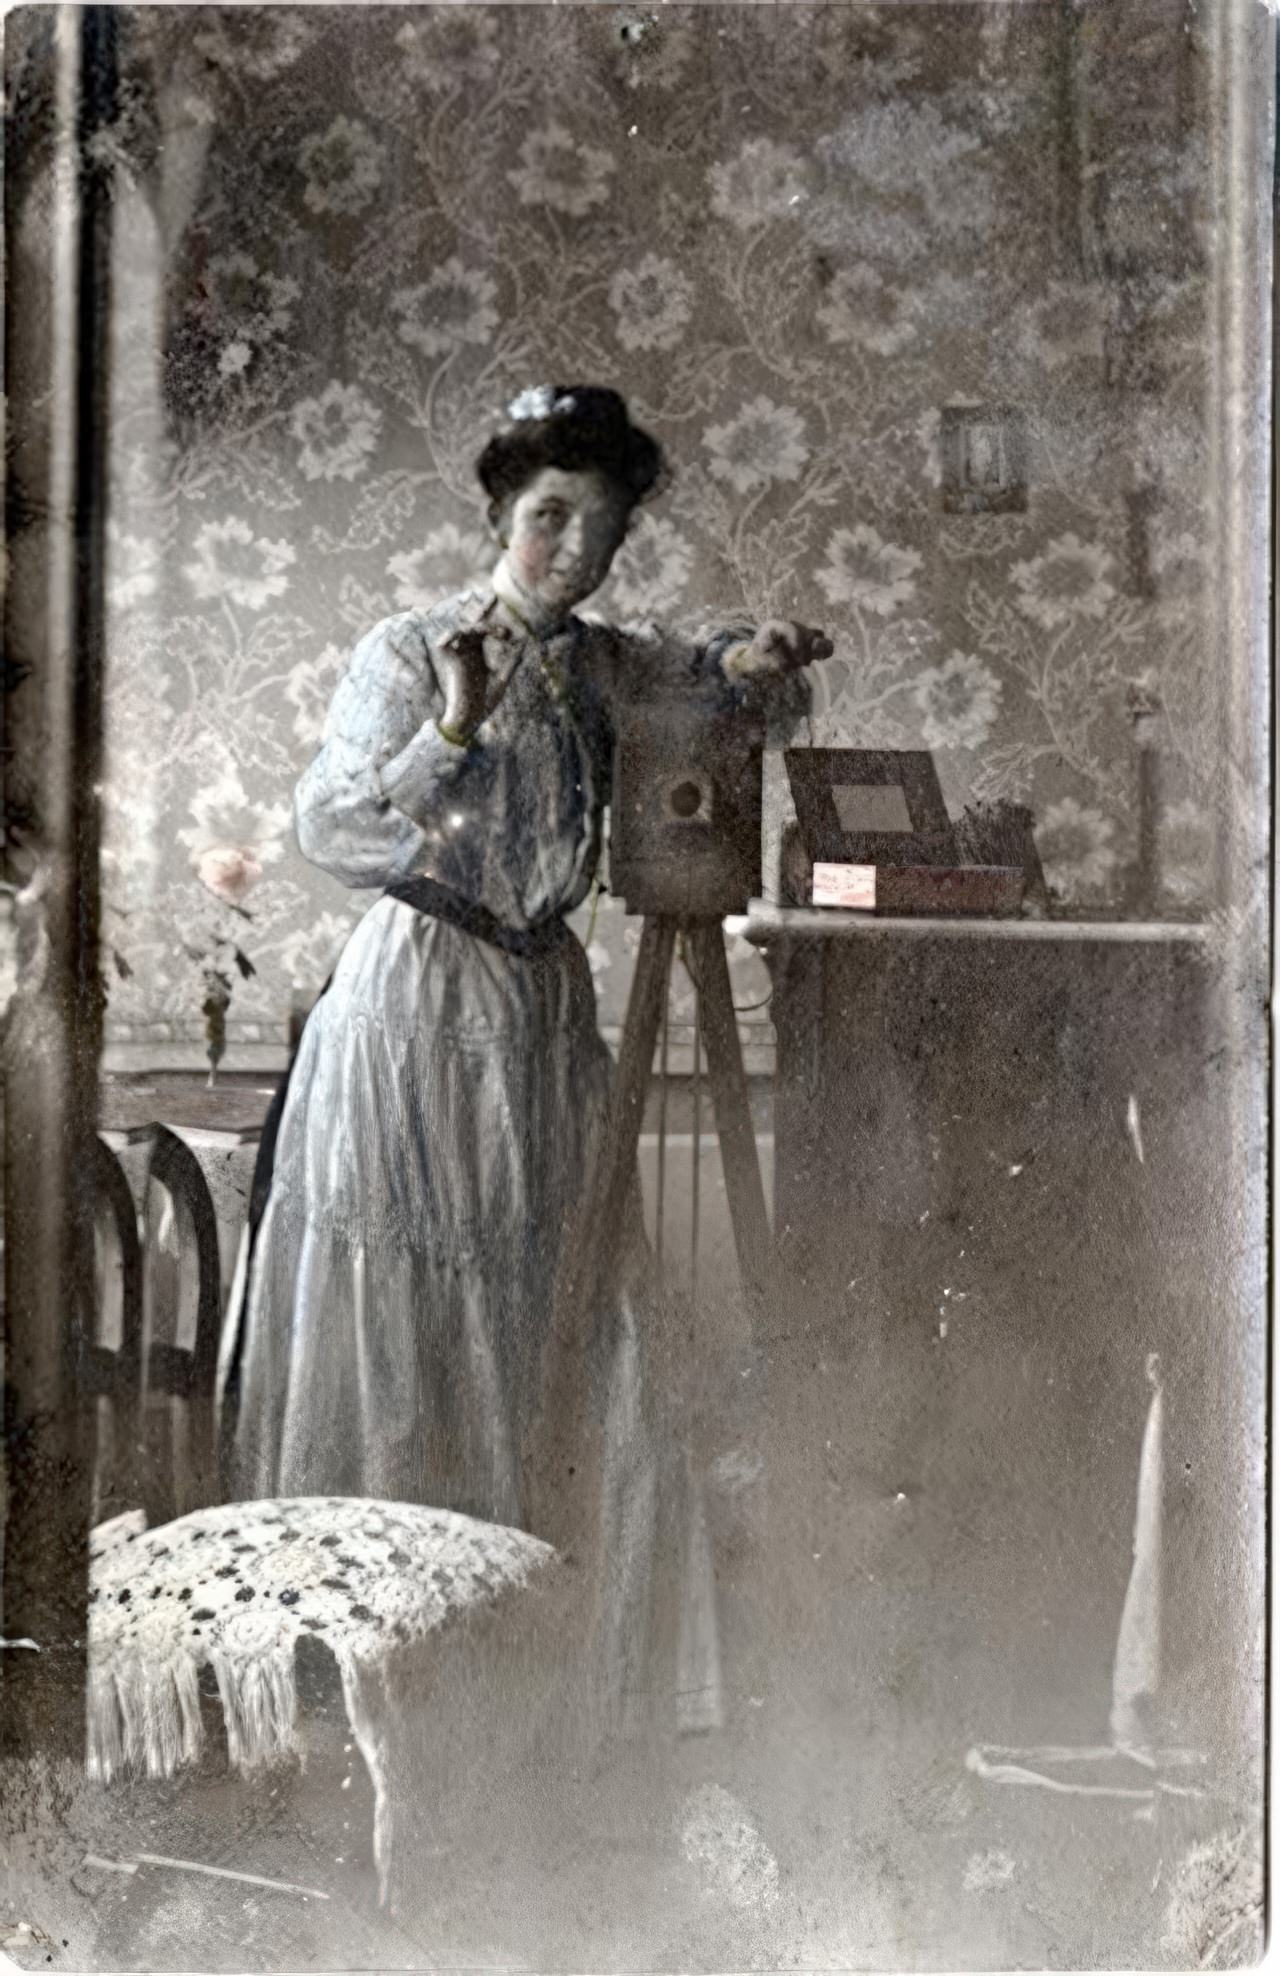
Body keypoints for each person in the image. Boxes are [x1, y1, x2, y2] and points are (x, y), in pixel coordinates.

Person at [220, 383, 830, 1731]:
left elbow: (707, 685)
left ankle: (531, 1680)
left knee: (556, 1298)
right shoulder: (411, 644)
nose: (574, 546)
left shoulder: (605, 663)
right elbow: (331, 828)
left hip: (540, 1010)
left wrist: (755, 658)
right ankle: (362, 1685)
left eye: (602, 528)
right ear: (504, 511)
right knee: (401, 1310)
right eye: (551, 515)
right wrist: (450, 725)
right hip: (411, 1004)